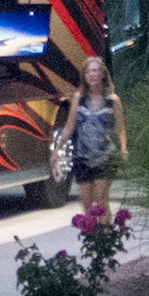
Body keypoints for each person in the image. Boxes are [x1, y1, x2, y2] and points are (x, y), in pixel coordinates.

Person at [60, 56, 126, 222]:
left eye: (95, 70)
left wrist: (124, 148)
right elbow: (69, 126)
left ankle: (105, 239)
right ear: (84, 75)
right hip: (83, 155)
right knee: (86, 202)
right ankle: (92, 239)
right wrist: (56, 150)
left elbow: (120, 128)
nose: (92, 75)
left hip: (105, 155)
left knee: (100, 200)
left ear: (102, 74)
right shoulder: (78, 99)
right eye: (88, 71)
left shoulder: (113, 101)